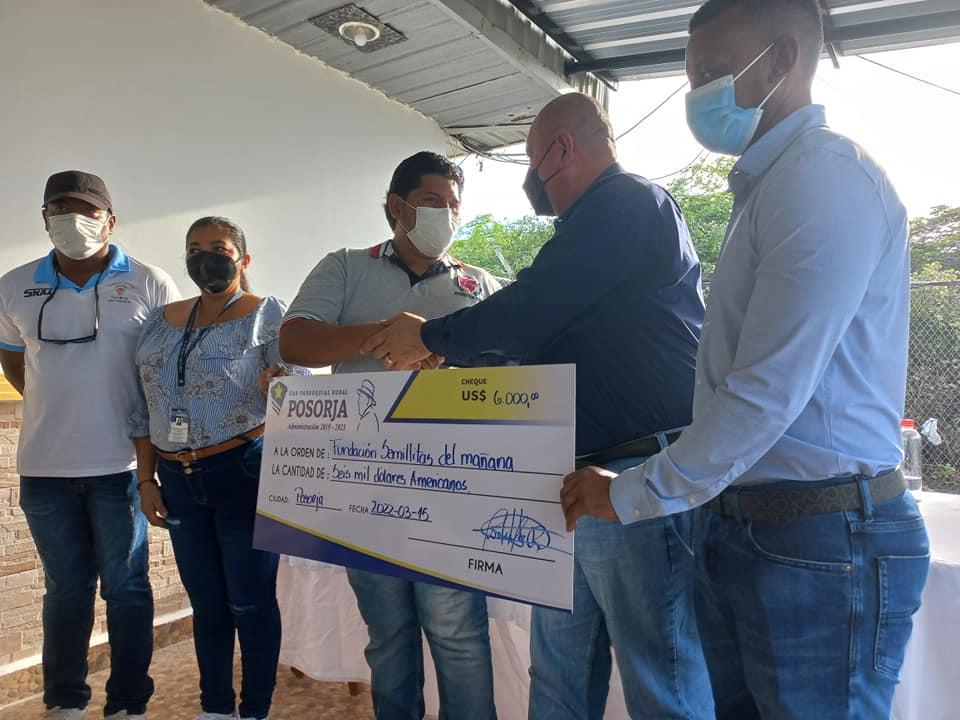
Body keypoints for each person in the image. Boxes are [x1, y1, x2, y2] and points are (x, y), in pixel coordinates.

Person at [560, 1, 930, 718]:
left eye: (711, 71)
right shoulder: (770, 185)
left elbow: (763, 394)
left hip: (821, 536)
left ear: (782, 59)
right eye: (693, 76)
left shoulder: (823, 178)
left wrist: (631, 492)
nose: (697, 94)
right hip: (757, 524)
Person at [362, 98, 712, 719]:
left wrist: (430, 337)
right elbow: (533, 331)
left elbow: (530, 312)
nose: (531, 180)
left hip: (634, 475)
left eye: (530, 161)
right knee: (557, 672)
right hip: (575, 482)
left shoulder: (626, 203)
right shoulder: (586, 229)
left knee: (662, 683)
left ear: (562, 149)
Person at [278, 151, 501, 720]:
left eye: (454, 205)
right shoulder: (346, 267)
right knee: (388, 634)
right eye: (432, 202)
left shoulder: (479, 284)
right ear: (396, 207)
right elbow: (295, 341)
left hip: (453, 487)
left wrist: (438, 345)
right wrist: (383, 336)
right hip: (366, 485)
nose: (447, 215)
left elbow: (511, 367)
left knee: (458, 634)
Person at [0, 171, 179, 720]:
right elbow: (12, 357)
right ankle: (65, 701)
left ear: (110, 220)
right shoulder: (13, 285)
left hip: (120, 468)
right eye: (59, 209)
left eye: (85, 210)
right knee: (66, 591)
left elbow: (166, 370)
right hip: (44, 469)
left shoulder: (150, 283)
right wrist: (56, 404)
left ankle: (128, 703)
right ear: (44, 218)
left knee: (126, 589)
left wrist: (151, 470)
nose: (71, 220)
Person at [131, 216, 298, 720]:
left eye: (219, 248)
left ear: (243, 259)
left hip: (243, 471)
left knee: (249, 602)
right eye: (194, 248)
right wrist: (145, 479)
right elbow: (142, 405)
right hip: (176, 478)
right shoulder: (159, 321)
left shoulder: (266, 313)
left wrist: (281, 383)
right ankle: (217, 708)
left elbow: (299, 387)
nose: (205, 257)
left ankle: (255, 709)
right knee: (206, 605)